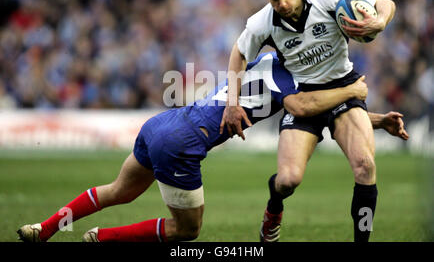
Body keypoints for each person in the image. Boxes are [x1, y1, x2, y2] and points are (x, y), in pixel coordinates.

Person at [17, 52, 406, 242]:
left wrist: (373, 120)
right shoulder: (299, 80)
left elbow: (319, 111)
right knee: (188, 231)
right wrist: (354, 91)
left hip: (163, 122)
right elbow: (306, 109)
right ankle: (103, 239)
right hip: (183, 143)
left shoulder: (263, 55)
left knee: (118, 191)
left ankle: (45, 229)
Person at [219, 0, 400, 242]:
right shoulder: (262, 22)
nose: (281, 4)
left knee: (365, 166)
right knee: (288, 180)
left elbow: (386, 3)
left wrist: (379, 20)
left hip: (343, 86)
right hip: (304, 96)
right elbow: (238, 53)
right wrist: (233, 103)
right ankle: (273, 207)